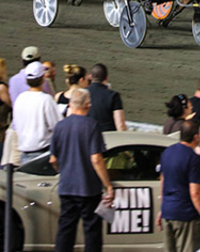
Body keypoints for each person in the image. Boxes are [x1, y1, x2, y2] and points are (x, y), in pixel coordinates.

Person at [50, 89, 114, 252]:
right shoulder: (92, 125)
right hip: (88, 188)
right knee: (91, 231)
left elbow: (53, 159)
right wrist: (108, 185)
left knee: (65, 229)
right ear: (88, 106)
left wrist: (64, 171)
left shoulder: (60, 126)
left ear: (70, 104)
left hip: (66, 187)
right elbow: (96, 159)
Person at [159, 119, 200, 252]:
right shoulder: (193, 159)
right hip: (186, 215)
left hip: (168, 211)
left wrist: (162, 208)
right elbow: (195, 193)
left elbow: (163, 181)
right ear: (195, 137)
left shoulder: (167, 152)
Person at [12, 61, 63, 162]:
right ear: (43, 78)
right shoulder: (46, 99)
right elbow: (58, 126)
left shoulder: (20, 99)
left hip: (24, 154)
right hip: (43, 154)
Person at [86, 63, 126, 132]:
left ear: (91, 77)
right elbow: (120, 125)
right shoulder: (113, 95)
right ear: (106, 78)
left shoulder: (81, 94)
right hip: (108, 138)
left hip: (87, 135)